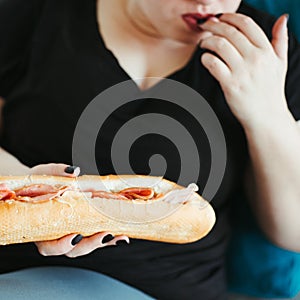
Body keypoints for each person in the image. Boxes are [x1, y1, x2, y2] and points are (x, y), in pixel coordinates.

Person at [0, 0, 300, 299]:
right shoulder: (33, 12)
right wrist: (28, 188)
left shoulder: (265, 53)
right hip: (17, 270)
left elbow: (292, 233)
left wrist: (268, 113)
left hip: (173, 286)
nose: (208, 2)